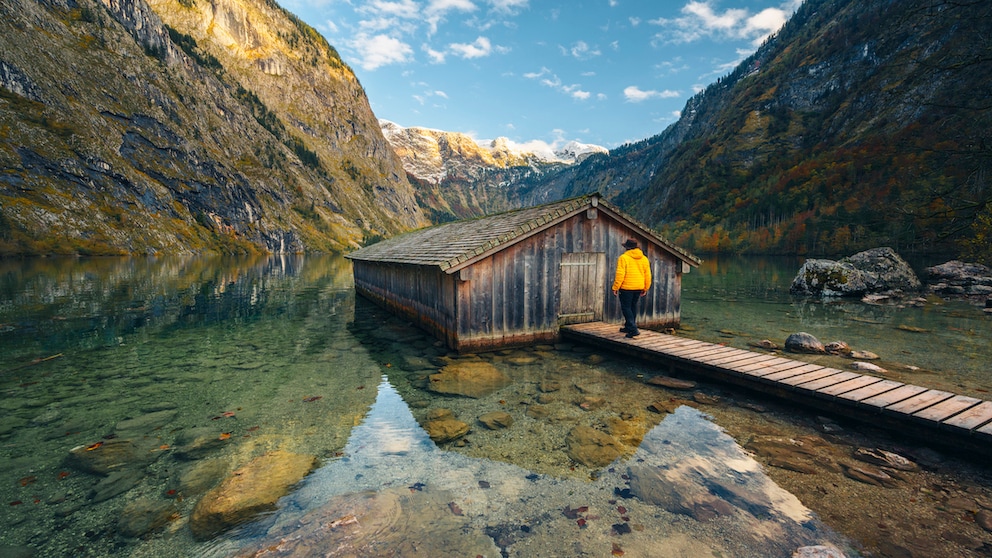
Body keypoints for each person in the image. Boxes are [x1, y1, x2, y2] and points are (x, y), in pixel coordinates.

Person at [612, 238, 651, 338]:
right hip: (638, 287)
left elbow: (620, 274)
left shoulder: (623, 258)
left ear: (627, 248)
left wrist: (615, 287)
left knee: (626, 307)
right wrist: (646, 288)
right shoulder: (644, 259)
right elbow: (648, 275)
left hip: (626, 287)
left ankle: (633, 329)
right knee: (632, 306)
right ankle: (629, 326)